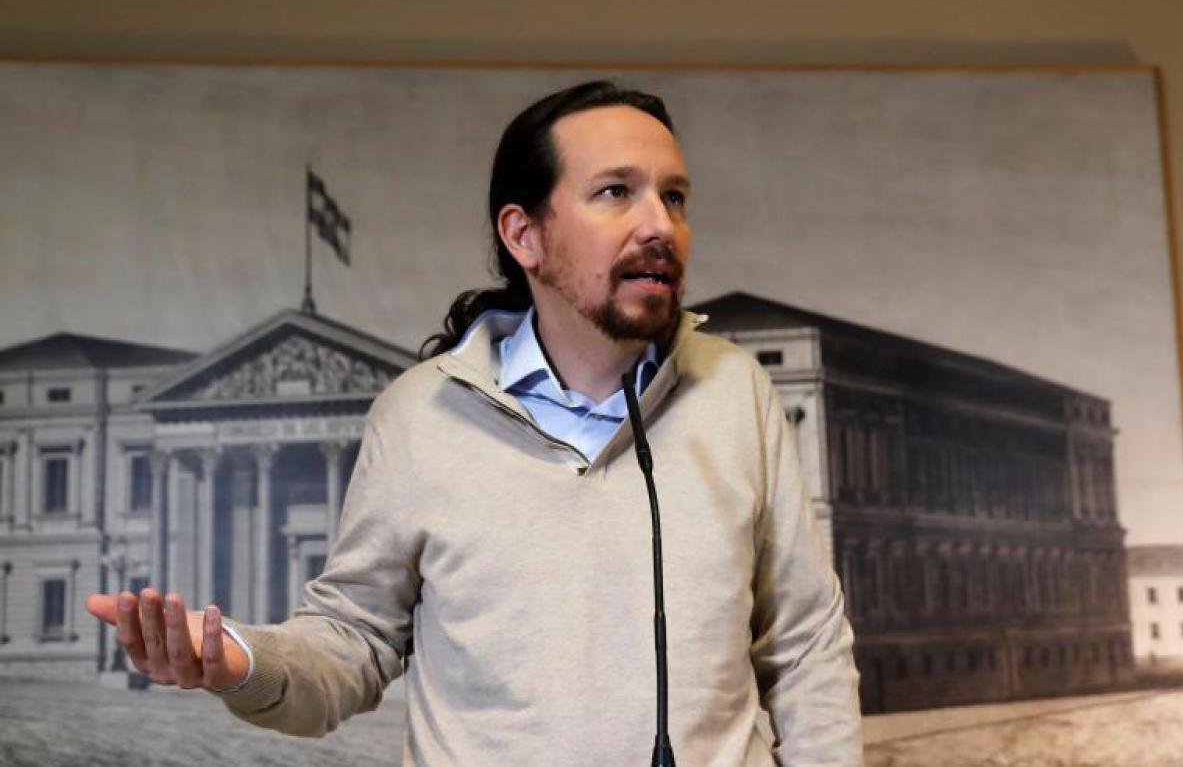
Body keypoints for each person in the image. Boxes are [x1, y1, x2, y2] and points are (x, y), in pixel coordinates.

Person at [86, 80, 863, 766]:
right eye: (616, 193)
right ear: (524, 235)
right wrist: (240, 661)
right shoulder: (418, 415)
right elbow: (355, 641)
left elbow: (806, 645)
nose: (660, 223)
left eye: (675, 197)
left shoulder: (737, 393)